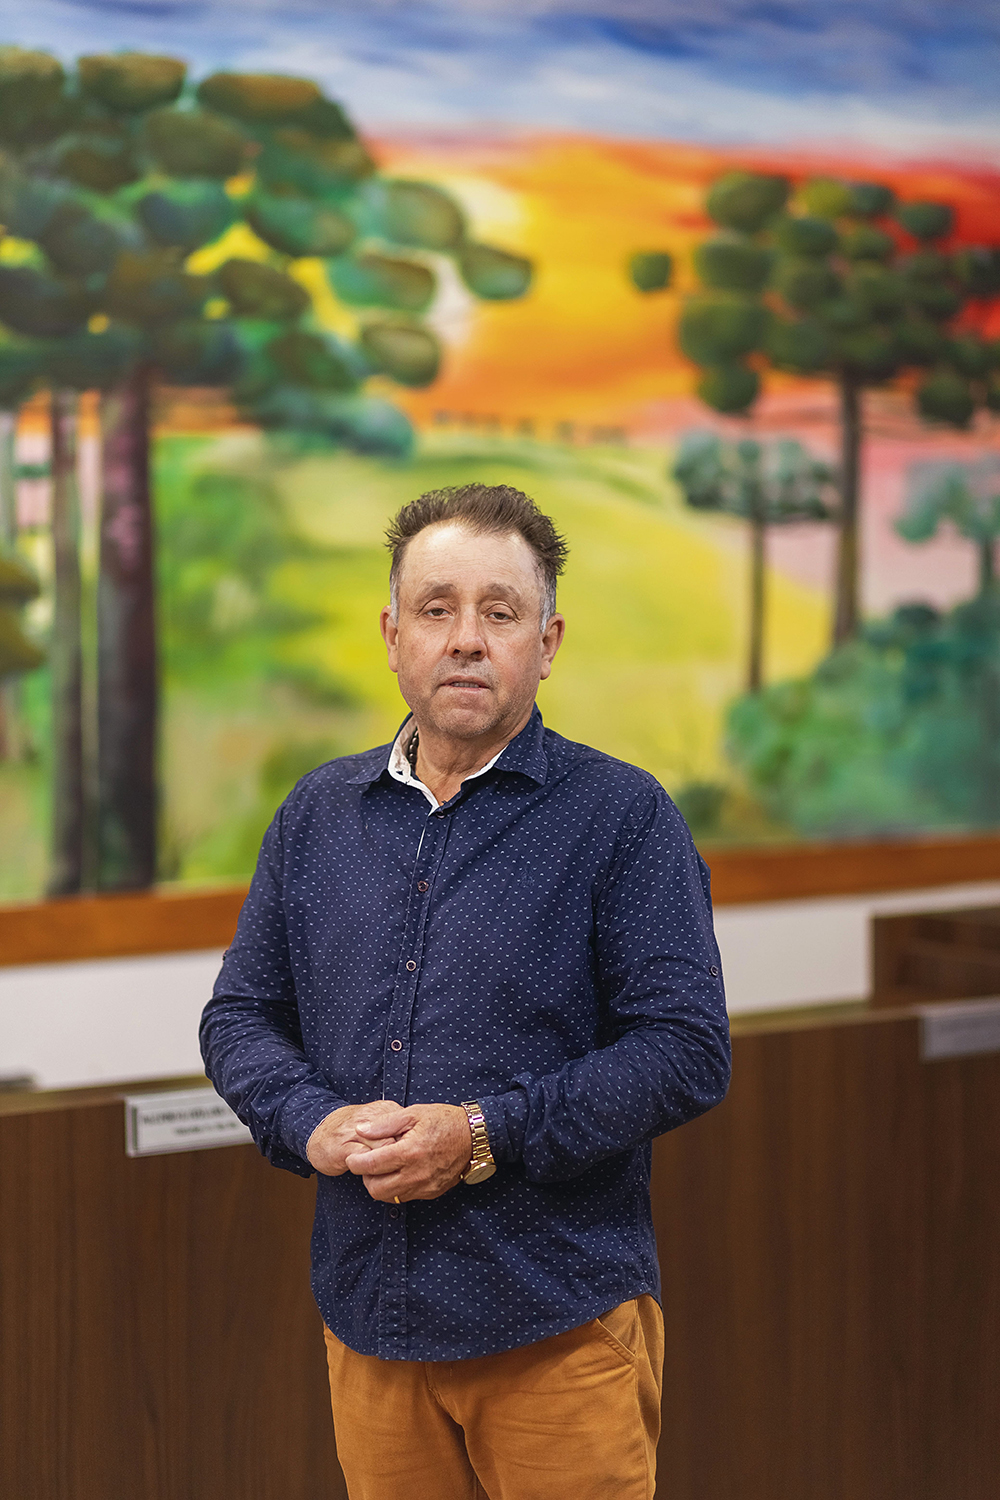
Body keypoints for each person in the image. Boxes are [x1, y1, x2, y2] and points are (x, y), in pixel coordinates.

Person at [200, 482, 730, 1500]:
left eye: (501, 612)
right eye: (437, 609)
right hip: (369, 1318)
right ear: (392, 634)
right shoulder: (317, 813)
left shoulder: (622, 817)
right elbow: (241, 1015)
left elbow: (685, 1050)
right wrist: (309, 1121)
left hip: (556, 1320)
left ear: (548, 641)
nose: (466, 641)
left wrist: (485, 1133)